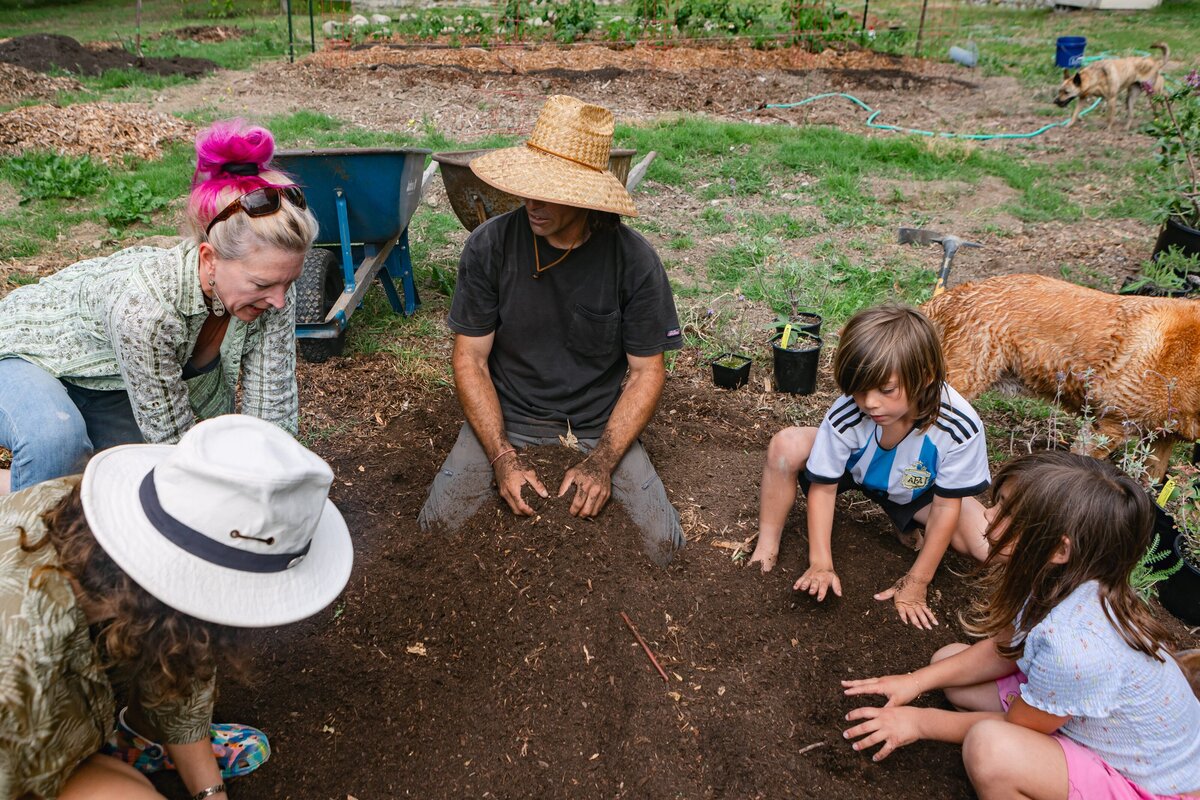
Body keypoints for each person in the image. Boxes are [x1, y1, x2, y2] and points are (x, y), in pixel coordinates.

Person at [0, 414, 354, 799]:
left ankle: (136, 740)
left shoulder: (107, 533)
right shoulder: (21, 662)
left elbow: (181, 647)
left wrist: (209, 792)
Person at [418, 95, 685, 566]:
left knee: (664, 547)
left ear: (584, 196)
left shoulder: (633, 261)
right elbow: (470, 358)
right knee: (435, 530)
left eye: (548, 191)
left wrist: (603, 460)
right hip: (507, 416)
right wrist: (501, 456)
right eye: (529, 187)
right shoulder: (490, 246)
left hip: (595, 425)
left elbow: (647, 372)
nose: (531, 202)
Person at [840, 451, 1200, 799]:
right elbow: (1005, 649)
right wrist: (912, 683)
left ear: (1060, 550)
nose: (988, 515)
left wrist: (917, 722)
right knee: (947, 662)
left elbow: (1014, 728)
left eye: (1007, 512)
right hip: (1098, 727)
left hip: (1151, 786)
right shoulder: (1066, 582)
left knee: (991, 749)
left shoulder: (1073, 645)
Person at [0, 119, 318, 494]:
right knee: (57, 442)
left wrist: (272, 491)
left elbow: (272, 414)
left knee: (128, 485)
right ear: (209, 259)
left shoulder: (274, 288)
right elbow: (172, 442)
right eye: (263, 284)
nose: (279, 299)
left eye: (288, 282)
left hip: (107, 380)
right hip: (25, 353)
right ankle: (31, 546)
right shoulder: (145, 309)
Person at [749, 304, 991, 628]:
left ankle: (903, 522)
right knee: (786, 446)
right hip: (854, 470)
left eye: (885, 389)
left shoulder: (959, 425)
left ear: (926, 376)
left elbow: (948, 506)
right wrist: (821, 563)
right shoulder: (849, 413)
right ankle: (766, 546)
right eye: (859, 389)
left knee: (984, 544)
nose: (869, 402)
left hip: (916, 489)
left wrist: (917, 582)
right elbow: (823, 487)